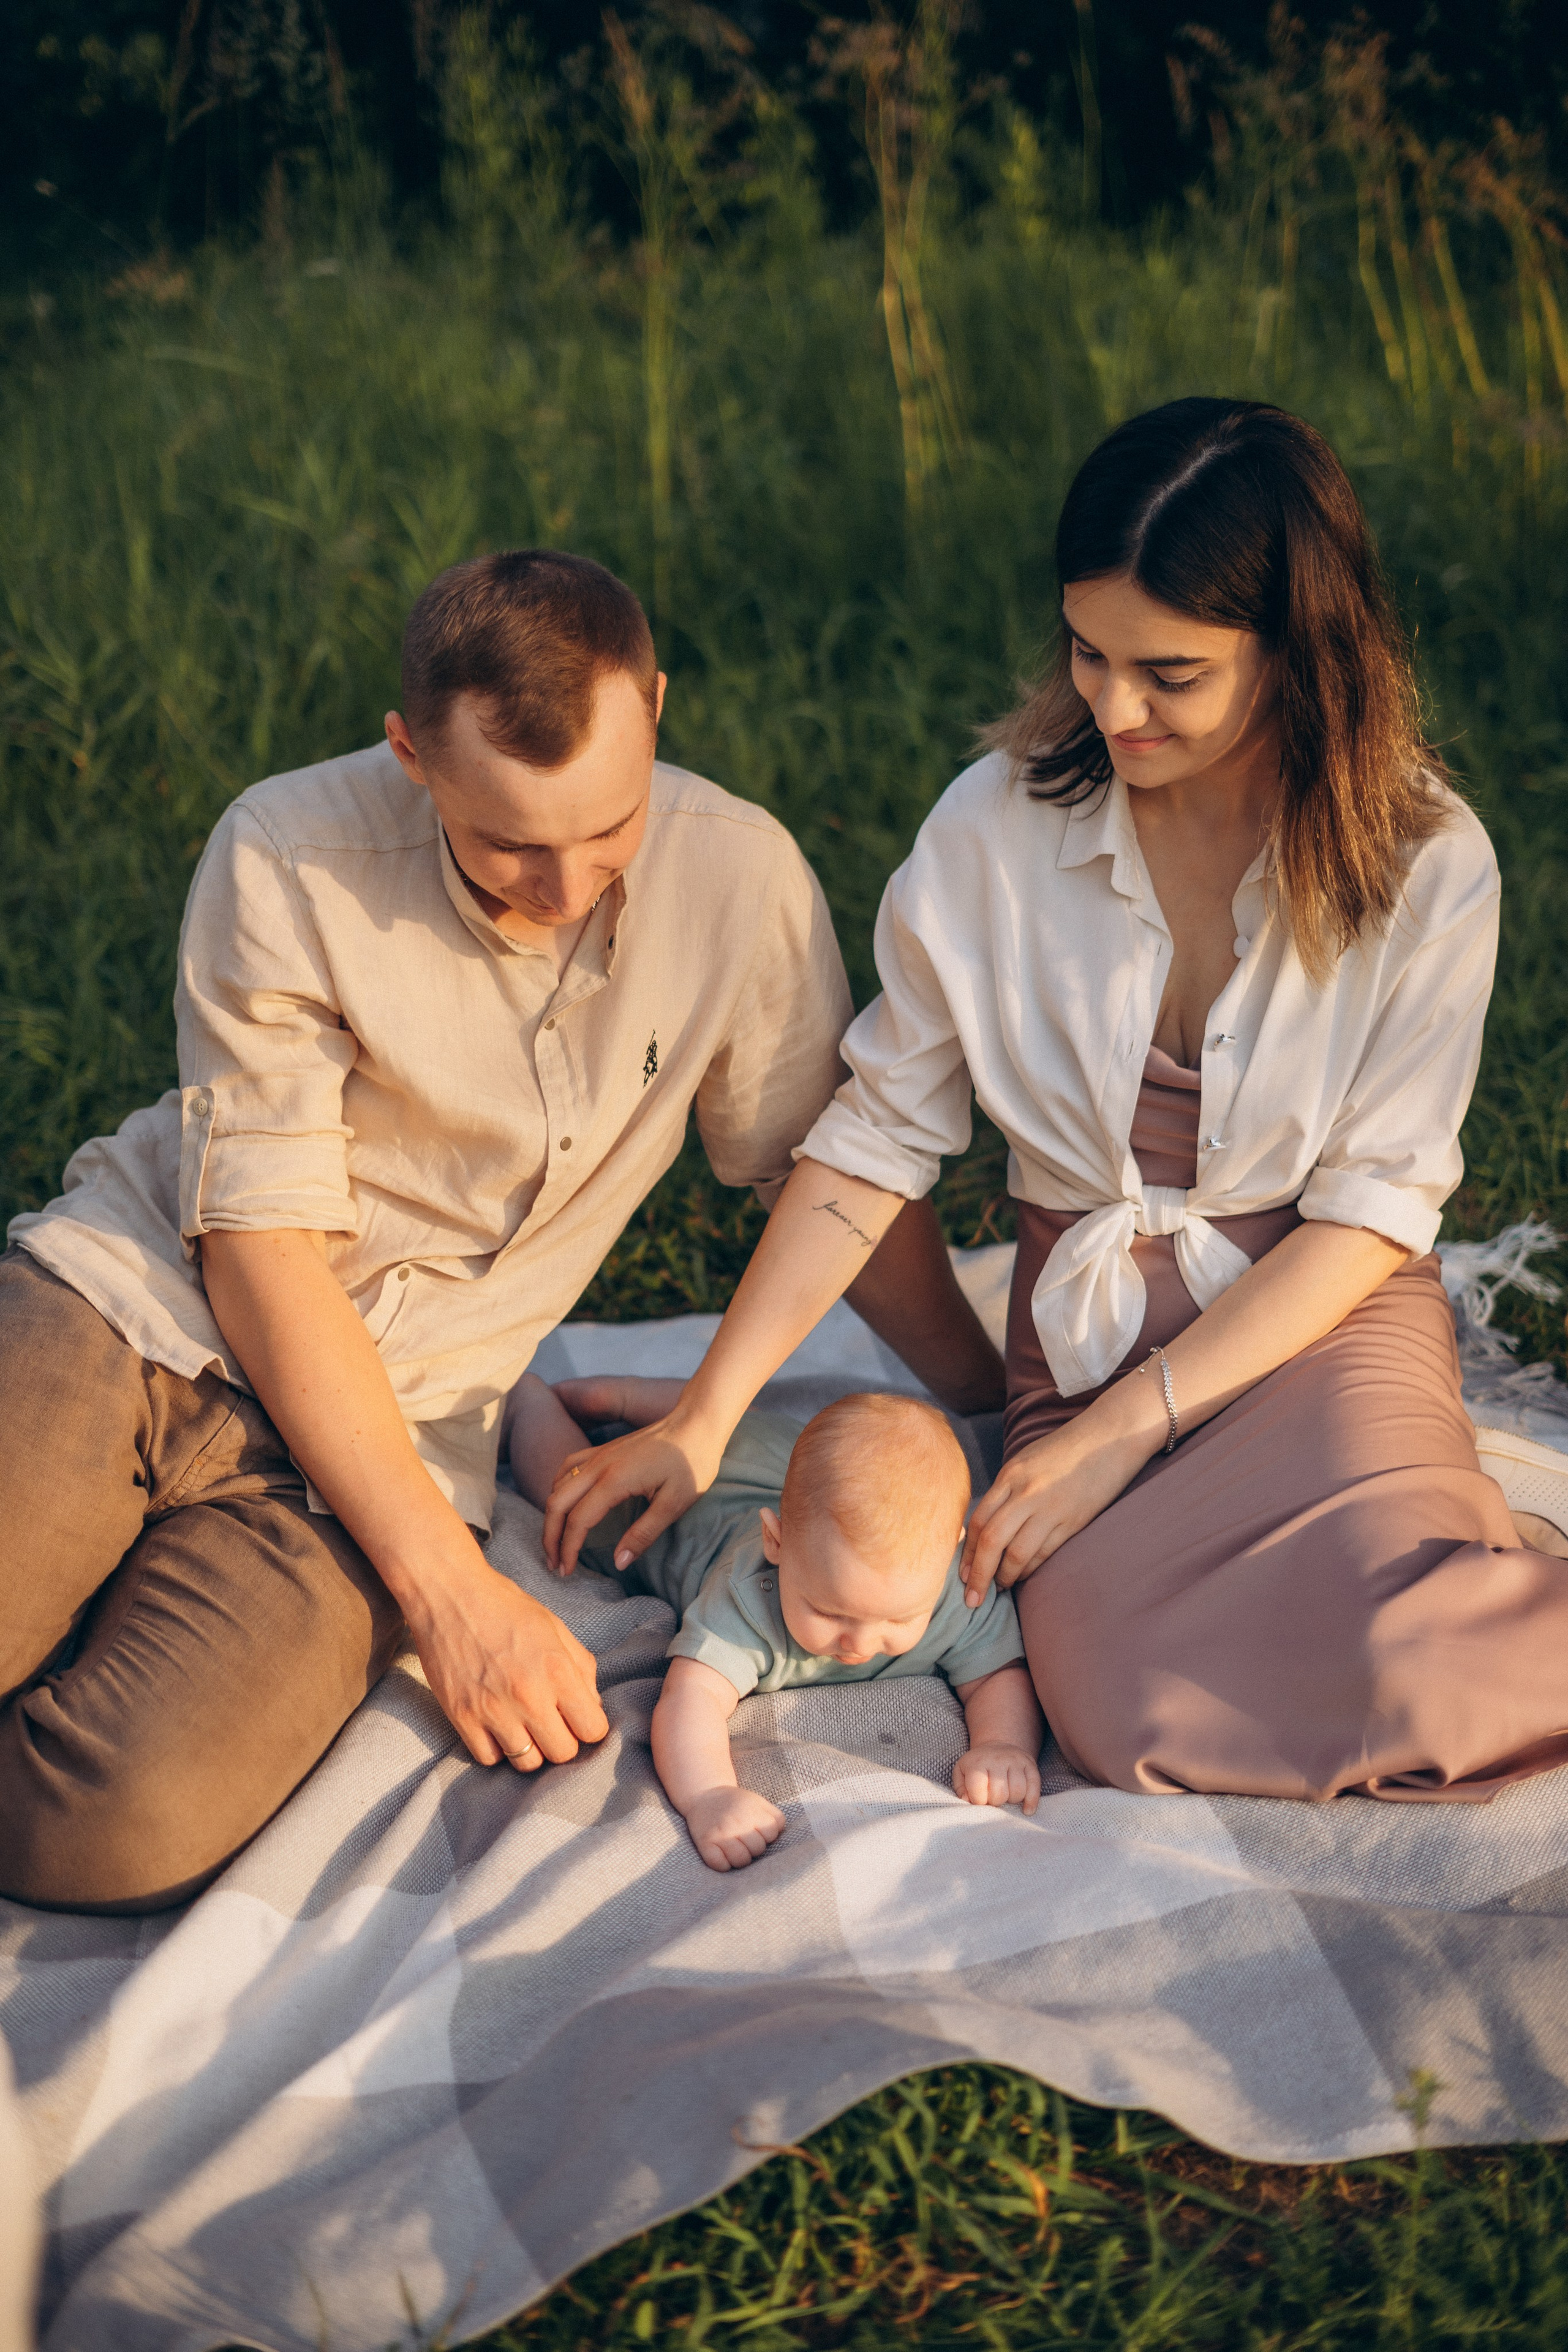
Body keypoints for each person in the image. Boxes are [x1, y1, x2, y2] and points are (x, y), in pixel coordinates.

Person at [548, 398, 1568, 1805]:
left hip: (1313, 1318)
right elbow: (869, 1145)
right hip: (1082, 1333)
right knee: (1113, 1704)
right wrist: (709, 1416)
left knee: (1405, 1660)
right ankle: (1437, 1561)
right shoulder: (994, 829)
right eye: (1087, 652)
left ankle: (1450, 1559)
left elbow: (1369, 1214)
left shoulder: (1425, 862)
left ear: (1296, 652)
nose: (1111, 706)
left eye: (1168, 673)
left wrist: (1116, 1439)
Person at [0, 549, 1003, 1913]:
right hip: (131, 1316)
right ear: (411, 754)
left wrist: (993, 1402)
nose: (566, 885)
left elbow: (822, 1173)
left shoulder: (740, 876)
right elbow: (258, 1250)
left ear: (657, 707)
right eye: (509, 844)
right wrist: (452, 1599)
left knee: (119, 1830)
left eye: (609, 828)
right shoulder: (288, 852)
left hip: (398, 1433)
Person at [507, 1375, 1042, 1868]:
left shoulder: (951, 1584)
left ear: (953, 1551)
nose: (859, 1642)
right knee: (579, 1500)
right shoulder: (747, 1599)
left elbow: (997, 1674)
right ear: (775, 1542)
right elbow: (691, 1699)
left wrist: (1002, 1744)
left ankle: (622, 1401)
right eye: (828, 1611)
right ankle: (541, 1401)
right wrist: (709, 1795)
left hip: (774, 1448)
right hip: (690, 1499)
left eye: (899, 1618)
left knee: (752, 1431)